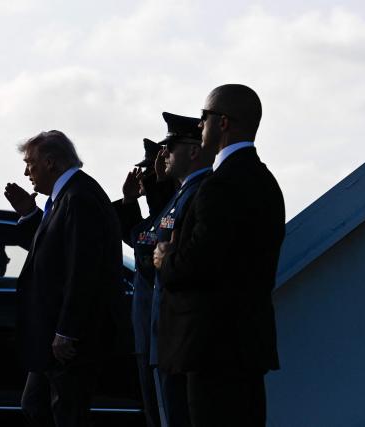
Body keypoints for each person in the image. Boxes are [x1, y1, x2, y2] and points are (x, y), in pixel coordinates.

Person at [153, 84, 285, 426]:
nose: (200, 126)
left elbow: (200, 263)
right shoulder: (265, 180)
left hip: (210, 349)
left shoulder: (221, 185)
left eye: (204, 117)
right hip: (245, 346)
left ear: (223, 122)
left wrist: (165, 259)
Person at [4, 130, 129, 427]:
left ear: (50, 162)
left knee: (65, 414)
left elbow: (82, 269)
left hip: (71, 339)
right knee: (36, 406)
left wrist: (67, 330)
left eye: (30, 164)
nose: (26, 172)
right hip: (54, 335)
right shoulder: (68, 195)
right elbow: (54, 250)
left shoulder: (78, 197)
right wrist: (30, 215)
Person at [149, 112, 213, 427]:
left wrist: (164, 258)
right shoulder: (182, 192)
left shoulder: (202, 191)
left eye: (170, 147)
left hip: (185, 335)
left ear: (193, 150)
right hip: (170, 331)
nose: (164, 154)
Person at [112, 135, 178, 427]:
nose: (147, 182)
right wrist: (128, 201)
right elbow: (139, 236)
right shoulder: (159, 216)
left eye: (152, 174)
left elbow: (145, 246)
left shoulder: (172, 211)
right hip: (147, 330)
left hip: (164, 333)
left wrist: (137, 200)